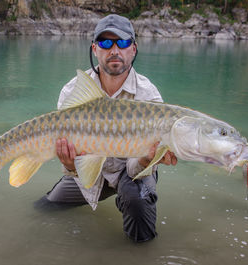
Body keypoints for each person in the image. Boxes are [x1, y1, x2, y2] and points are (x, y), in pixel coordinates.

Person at [40, 14, 177, 243]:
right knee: (47, 206)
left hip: (130, 172)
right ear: (95, 49)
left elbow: (139, 167)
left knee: (137, 200)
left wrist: (145, 159)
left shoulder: (148, 95)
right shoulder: (73, 91)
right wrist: (68, 163)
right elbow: (75, 163)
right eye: (105, 43)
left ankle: (138, 250)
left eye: (122, 43)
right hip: (91, 173)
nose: (115, 50)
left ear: (133, 49)